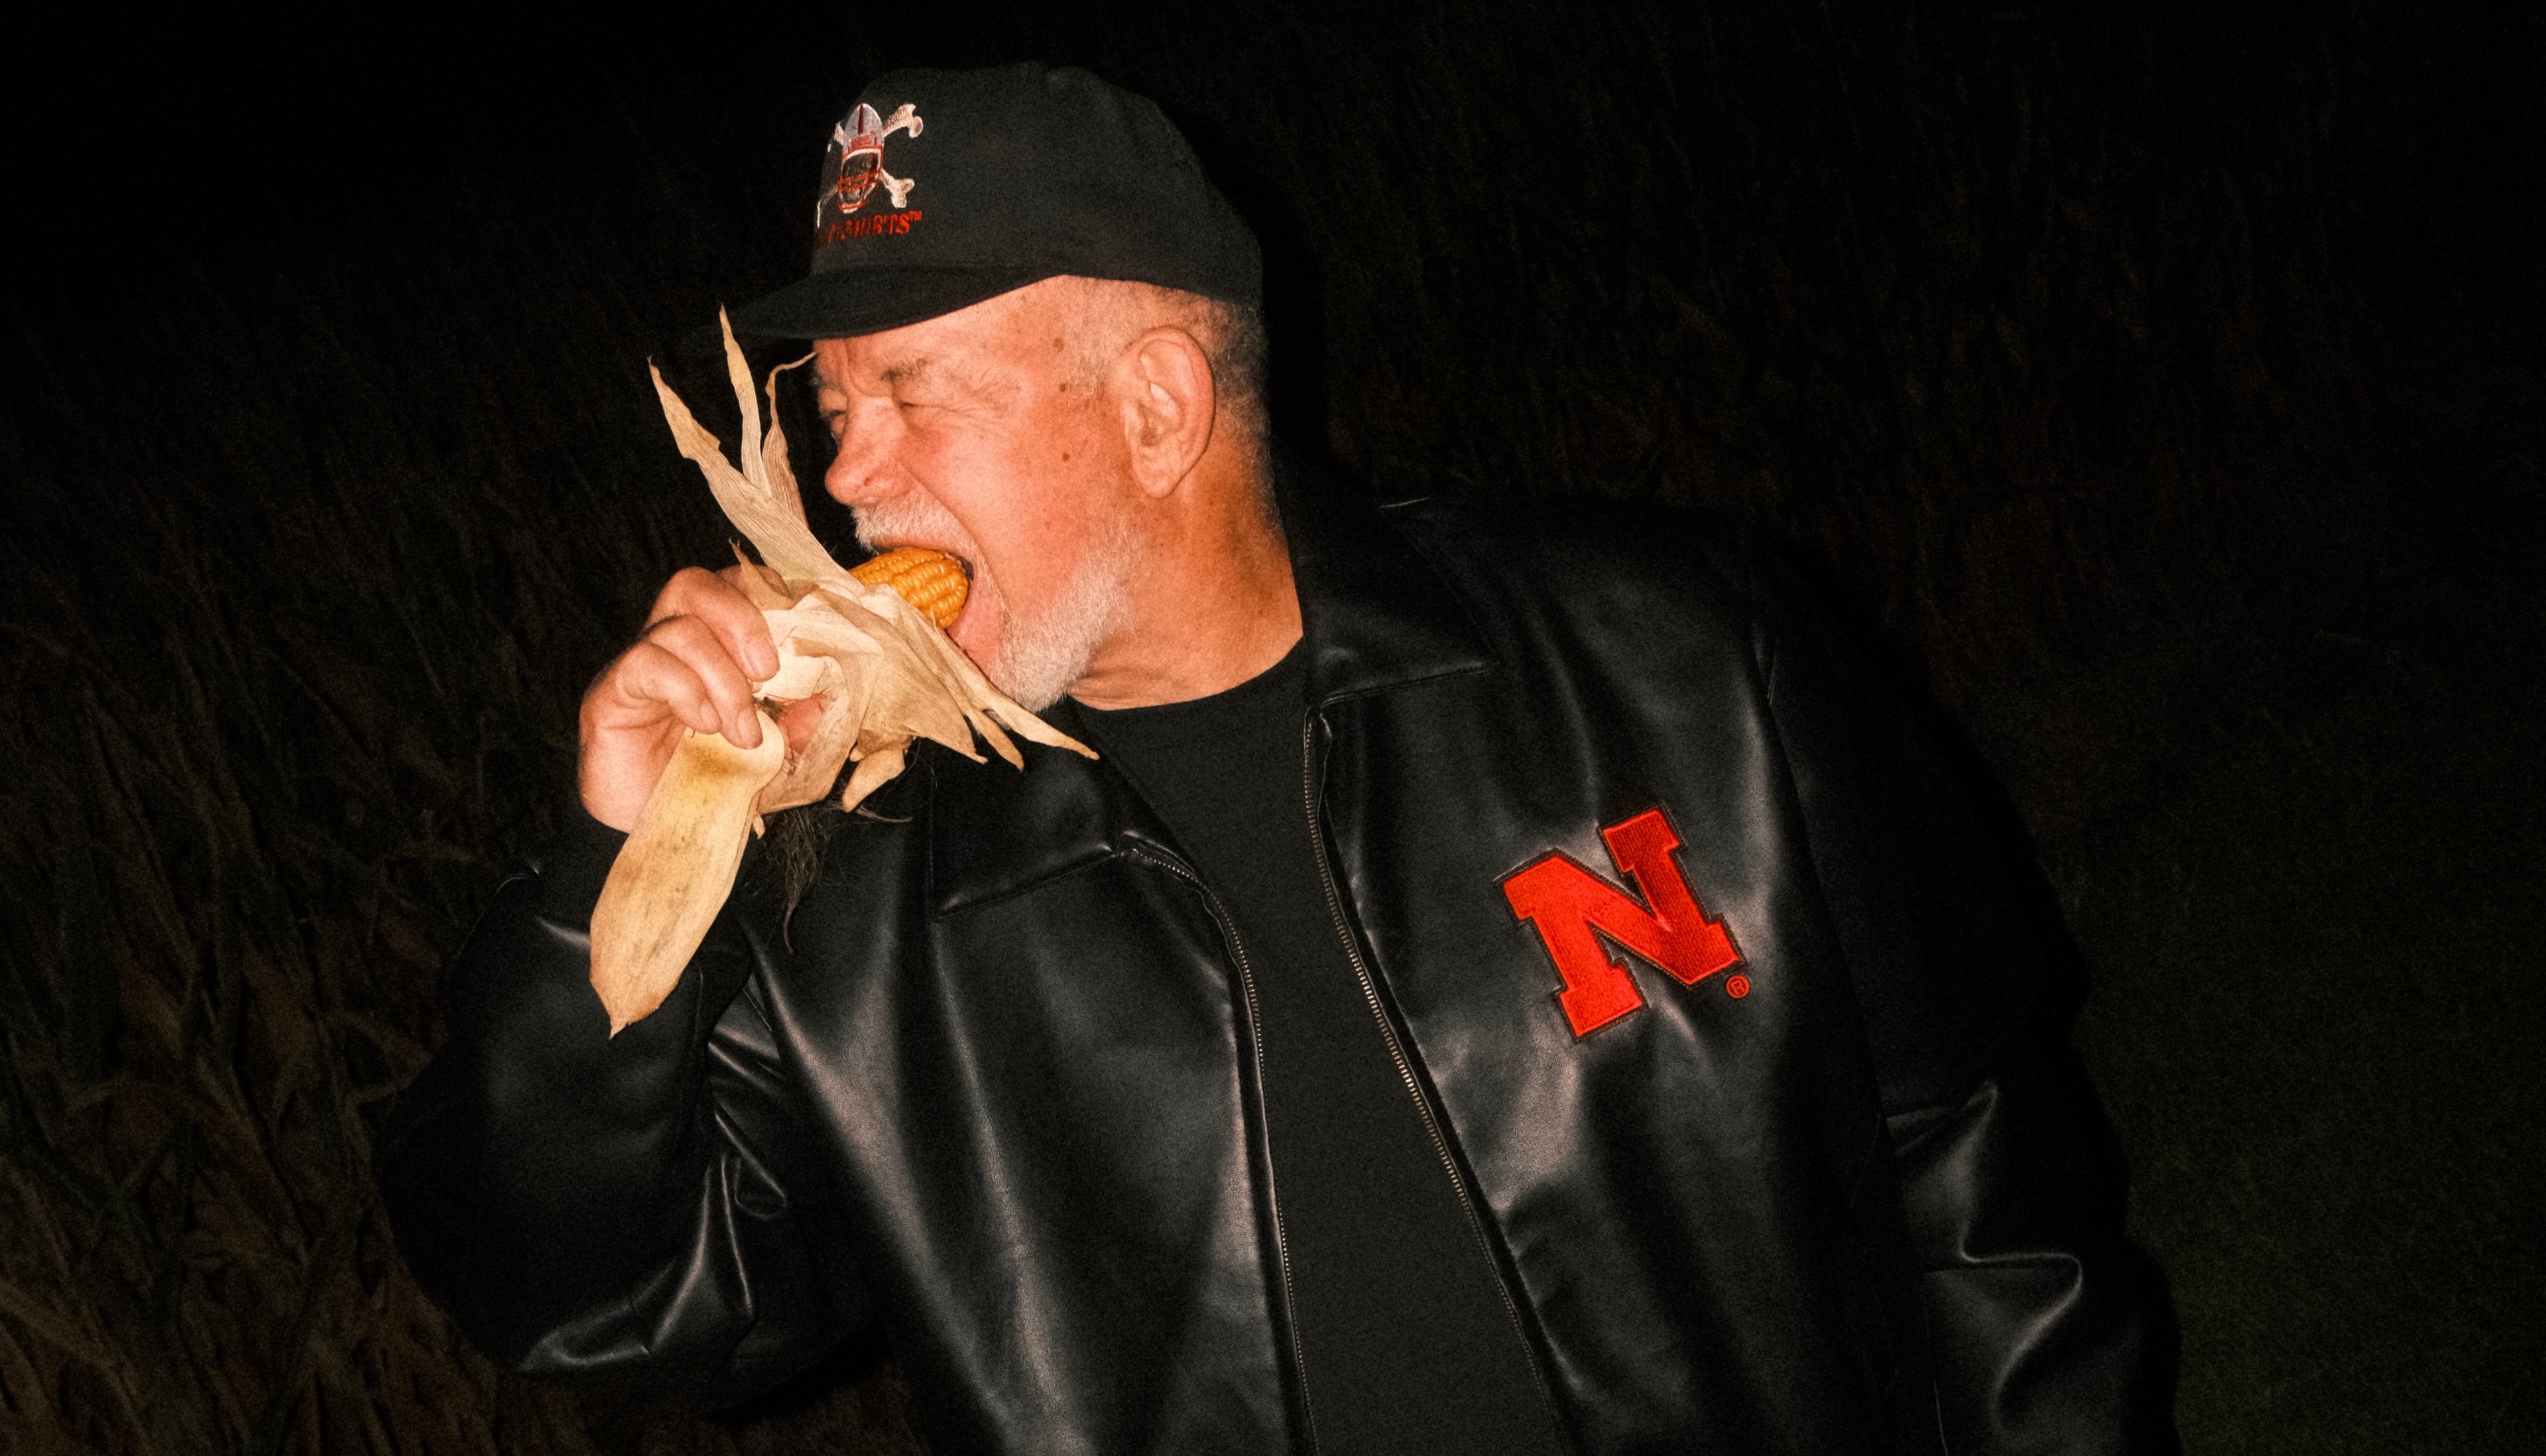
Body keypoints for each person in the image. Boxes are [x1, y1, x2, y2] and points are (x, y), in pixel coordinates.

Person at [380, 62, 2176, 1455]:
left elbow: (1978, 1160)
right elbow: (590, 1301)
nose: (846, 481)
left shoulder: (1684, 654)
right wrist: (611, 867)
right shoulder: (862, 901)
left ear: (1159, 405)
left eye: (919, 394)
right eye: (836, 411)